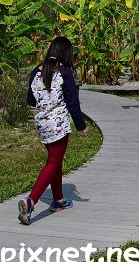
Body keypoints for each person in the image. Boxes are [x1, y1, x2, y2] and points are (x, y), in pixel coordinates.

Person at [18, 36, 90, 226]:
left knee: (55, 161)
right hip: (58, 125)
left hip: (41, 124)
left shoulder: (37, 71)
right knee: (53, 162)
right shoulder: (64, 71)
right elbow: (73, 103)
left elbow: (30, 100)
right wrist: (81, 126)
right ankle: (31, 200)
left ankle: (58, 200)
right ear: (66, 53)